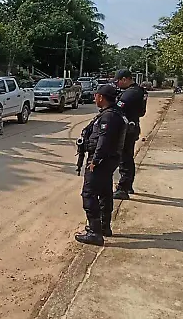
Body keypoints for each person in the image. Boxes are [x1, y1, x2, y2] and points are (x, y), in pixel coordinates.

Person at [74, 84, 128, 246]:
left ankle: (94, 232)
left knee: (89, 194)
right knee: (105, 192)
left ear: (101, 97)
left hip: (102, 160)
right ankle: (104, 227)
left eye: (96, 96)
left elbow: (104, 140)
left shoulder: (109, 117)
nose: (94, 98)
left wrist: (95, 161)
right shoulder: (113, 114)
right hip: (108, 160)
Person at [112, 69, 149, 200]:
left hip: (127, 129)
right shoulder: (138, 90)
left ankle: (123, 188)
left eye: (118, 81)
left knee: (124, 159)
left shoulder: (131, 93)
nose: (117, 84)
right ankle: (128, 185)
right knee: (127, 157)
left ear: (125, 79)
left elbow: (117, 108)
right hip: (132, 127)